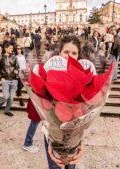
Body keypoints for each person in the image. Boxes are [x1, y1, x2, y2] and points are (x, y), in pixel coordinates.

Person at [42, 36, 83, 169]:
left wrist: (80, 143)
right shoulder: (48, 73)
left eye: (74, 53)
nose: (69, 56)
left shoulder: (83, 78)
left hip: (73, 138)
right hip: (53, 137)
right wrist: (50, 142)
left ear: (78, 56)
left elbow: (85, 115)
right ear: (59, 53)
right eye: (66, 52)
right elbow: (42, 113)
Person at [0, 42, 19, 117]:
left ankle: (7, 110)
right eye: (10, 48)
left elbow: (17, 67)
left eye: (12, 48)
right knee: (5, 96)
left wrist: (16, 70)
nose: (12, 49)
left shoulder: (15, 57)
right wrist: (0, 77)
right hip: (5, 79)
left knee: (11, 98)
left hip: (14, 79)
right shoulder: (0, 57)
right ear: (5, 48)